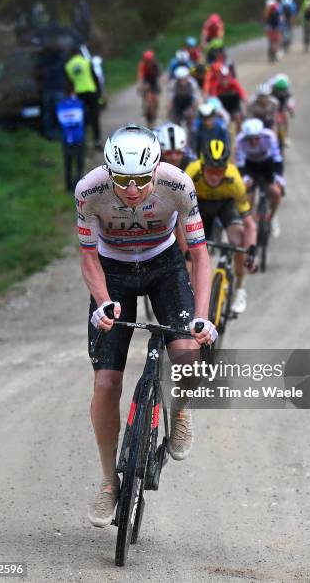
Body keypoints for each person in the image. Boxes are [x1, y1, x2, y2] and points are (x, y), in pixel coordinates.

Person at [76, 124, 217, 527]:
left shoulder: (179, 184)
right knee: (106, 383)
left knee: (189, 355)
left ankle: (181, 410)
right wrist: (103, 303)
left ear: (157, 170)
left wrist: (203, 316)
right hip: (113, 272)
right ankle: (108, 480)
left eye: (142, 180)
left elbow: (201, 255)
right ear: (109, 171)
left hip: (164, 267)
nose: (133, 189)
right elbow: (88, 257)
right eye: (122, 180)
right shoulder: (89, 190)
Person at [186, 138, 257, 314]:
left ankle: (240, 289)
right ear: (202, 167)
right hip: (200, 205)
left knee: (238, 240)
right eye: (211, 170)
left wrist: (250, 251)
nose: (215, 176)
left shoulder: (234, 180)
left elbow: (250, 224)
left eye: (220, 171)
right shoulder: (191, 174)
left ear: (226, 168)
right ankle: (191, 296)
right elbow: (179, 217)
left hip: (225, 205)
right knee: (192, 252)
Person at [235, 118, 285, 238]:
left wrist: (278, 178)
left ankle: (272, 217)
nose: (253, 141)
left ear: (261, 134)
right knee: (247, 197)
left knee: (276, 192)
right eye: (250, 138)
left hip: (268, 164)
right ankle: (250, 223)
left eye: (256, 138)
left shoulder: (270, 136)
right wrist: (246, 179)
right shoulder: (240, 140)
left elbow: (277, 159)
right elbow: (240, 165)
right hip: (250, 166)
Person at [65, 47, 103, 150]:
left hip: (79, 94)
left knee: (81, 119)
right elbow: (95, 78)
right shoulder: (86, 62)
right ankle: (97, 142)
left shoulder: (68, 66)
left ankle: (82, 143)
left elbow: (69, 83)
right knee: (95, 118)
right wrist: (100, 95)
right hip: (91, 91)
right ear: (79, 53)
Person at [56, 83, 85, 192]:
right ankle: (77, 187)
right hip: (78, 138)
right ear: (74, 91)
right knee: (79, 164)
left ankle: (68, 188)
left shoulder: (60, 105)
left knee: (67, 164)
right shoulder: (79, 104)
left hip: (65, 138)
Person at [38, 46, 66, 140]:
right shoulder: (60, 58)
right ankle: (55, 133)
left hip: (53, 89)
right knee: (56, 112)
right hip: (53, 89)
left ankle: (55, 133)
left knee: (50, 112)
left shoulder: (44, 60)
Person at [167, 66, 201, 130]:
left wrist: (196, 110)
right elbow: (170, 99)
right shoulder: (173, 84)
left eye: (184, 79)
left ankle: (191, 134)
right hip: (177, 104)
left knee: (191, 119)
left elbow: (197, 97)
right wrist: (170, 112)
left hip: (188, 103)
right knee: (175, 122)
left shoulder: (193, 83)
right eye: (180, 79)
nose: (182, 82)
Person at [269, 73, 295, 147]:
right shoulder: (270, 84)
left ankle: (286, 137)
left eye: (282, 89)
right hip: (273, 97)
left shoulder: (287, 87)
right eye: (279, 89)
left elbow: (290, 99)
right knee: (271, 117)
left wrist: (291, 109)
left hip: (283, 99)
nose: (280, 91)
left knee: (285, 116)